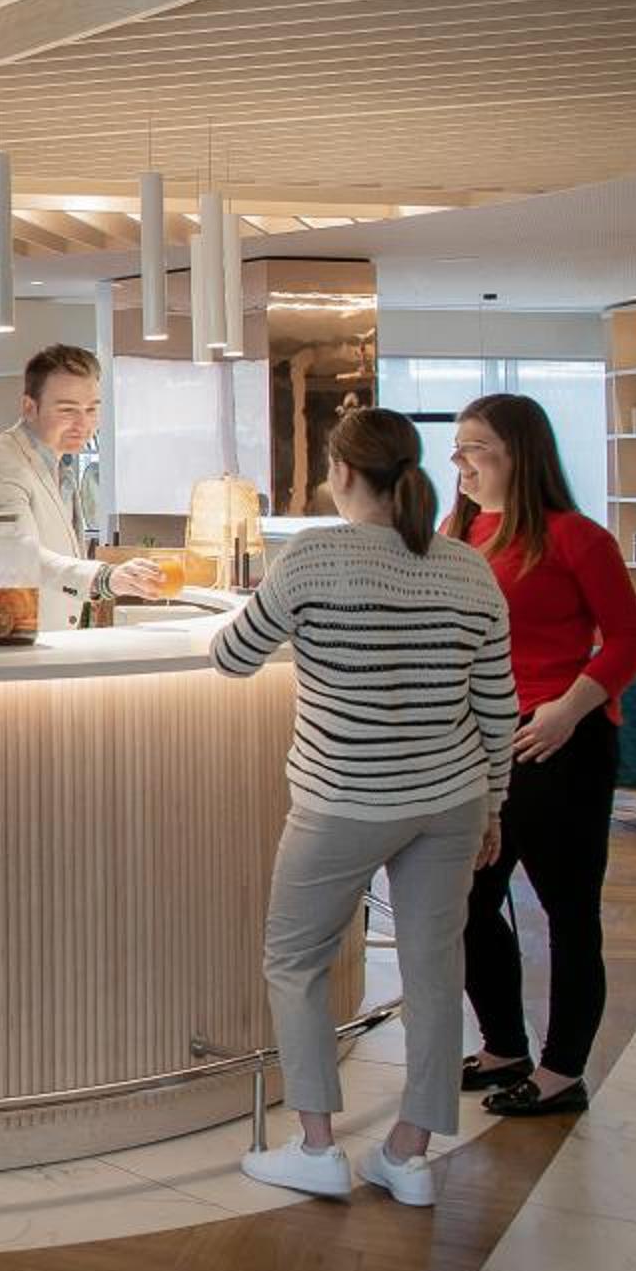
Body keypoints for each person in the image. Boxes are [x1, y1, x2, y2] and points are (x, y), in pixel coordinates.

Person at [211, 408, 516, 1206]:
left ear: (342, 472)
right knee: (435, 970)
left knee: (296, 961)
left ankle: (318, 1147)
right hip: (451, 799)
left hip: (344, 799)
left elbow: (233, 657)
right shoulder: (468, 568)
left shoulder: (314, 556)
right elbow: (497, 706)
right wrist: (494, 805)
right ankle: (409, 1156)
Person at [447, 393, 636, 1118]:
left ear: (520, 454)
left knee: (567, 910)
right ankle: (505, 1045)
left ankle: (564, 1070)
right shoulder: (457, 532)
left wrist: (569, 708)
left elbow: (631, 639)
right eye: (458, 446)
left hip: (560, 741)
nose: (460, 460)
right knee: (466, 901)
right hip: (481, 745)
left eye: (476, 447)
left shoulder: (575, 537)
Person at [0, 345, 169, 628]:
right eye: (68, 410)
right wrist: (104, 578)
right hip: (12, 638)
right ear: (29, 407)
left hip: (49, 638)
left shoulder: (60, 464)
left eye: (91, 409)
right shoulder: (2, 465)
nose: (83, 424)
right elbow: (17, 556)